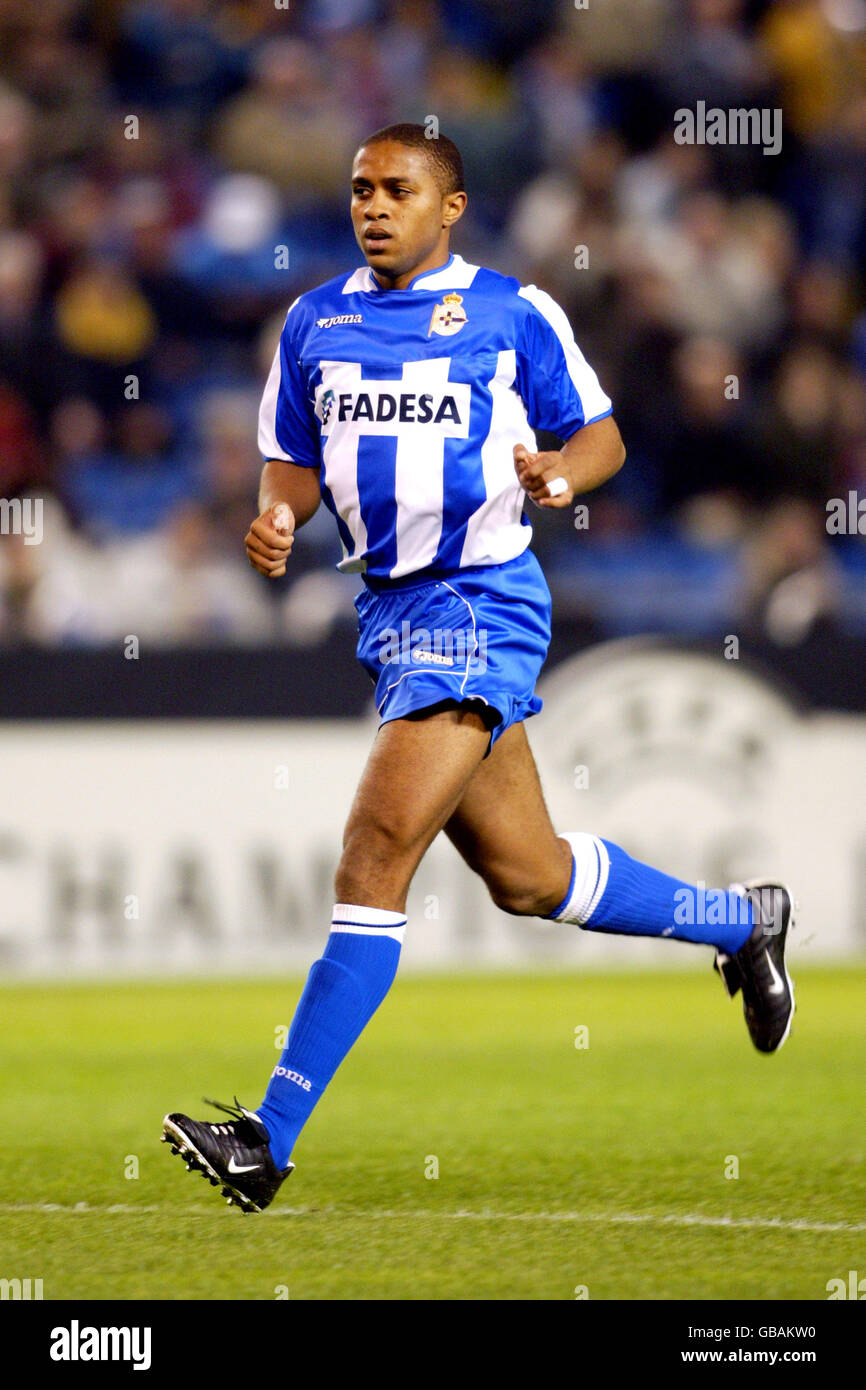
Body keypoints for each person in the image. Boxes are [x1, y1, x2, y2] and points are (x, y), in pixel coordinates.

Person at [161, 124, 795, 1213]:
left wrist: (557, 472)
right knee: (529, 875)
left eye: (395, 189)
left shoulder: (510, 312)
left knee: (373, 854)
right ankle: (743, 923)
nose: (371, 205)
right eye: (359, 188)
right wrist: (273, 519)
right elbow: (292, 466)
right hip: (392, 611)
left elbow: (598, 437)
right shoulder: (314, 322)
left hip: (479, 603)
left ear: (446, 207)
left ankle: (267, 1136)